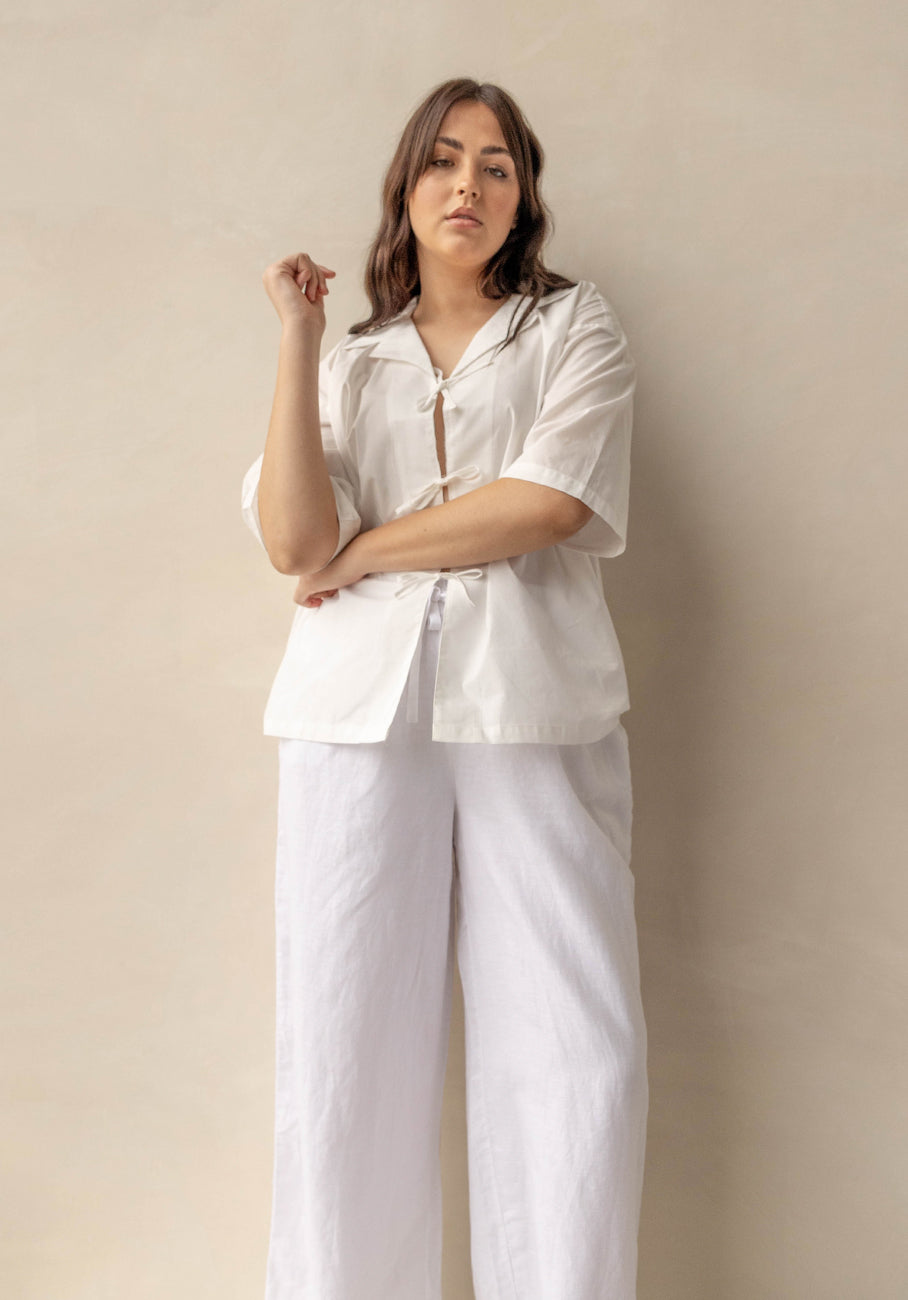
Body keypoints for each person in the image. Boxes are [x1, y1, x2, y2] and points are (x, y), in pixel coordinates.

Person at [240, 76, 648, 1300]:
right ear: (405, 187)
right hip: (352, 715)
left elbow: (550, 502)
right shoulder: (347, 362)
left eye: (495, 166)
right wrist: (299, 336)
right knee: (342, 1035)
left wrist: (362, 553)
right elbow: (292, 538)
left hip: (532, 704)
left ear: (522, 200)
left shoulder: (573, 329)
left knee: (571, 1040)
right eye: (442, 160)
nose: (466, 184)